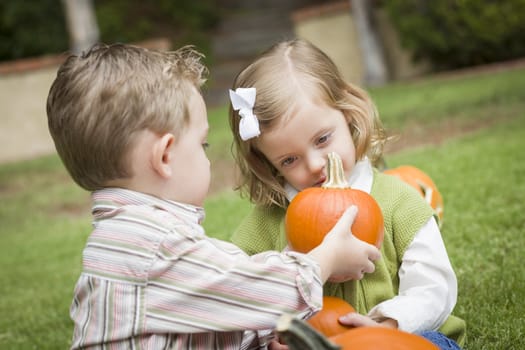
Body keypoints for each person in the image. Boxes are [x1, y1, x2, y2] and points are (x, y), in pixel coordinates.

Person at [46, 42, 381, 350]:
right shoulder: (155, 249)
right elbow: (257, 293)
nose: (207, 156)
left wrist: (265, 337)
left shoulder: (121, 241)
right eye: (202, 144)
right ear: (165, 156)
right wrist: (326, 259)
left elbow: (214, 307)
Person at [228, 39, 466, 349]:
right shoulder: (266, 222)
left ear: (348, 114)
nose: (315, 165)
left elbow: (434, 286)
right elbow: (236, 287)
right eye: (289, 160)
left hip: (400, 337)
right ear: (268, 164)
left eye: (323, 139)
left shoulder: (398, 201)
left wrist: (389, 323)